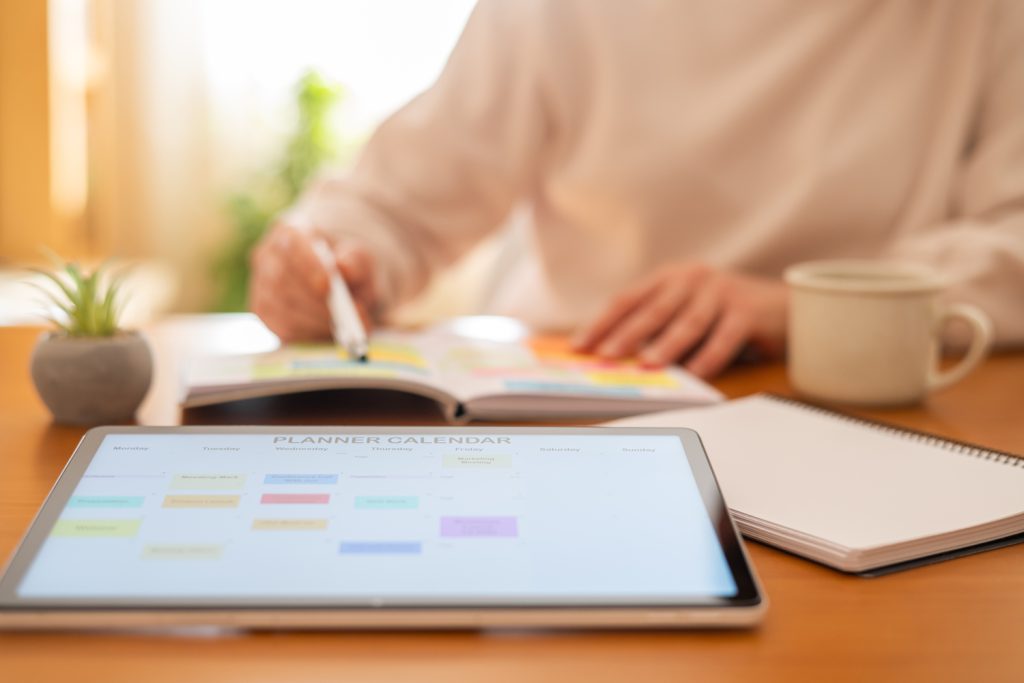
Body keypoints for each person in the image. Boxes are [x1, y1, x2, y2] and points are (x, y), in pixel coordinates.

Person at [250, 0, 1024, 378]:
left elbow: (1013, 237)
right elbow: (393, 205)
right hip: (587, 394)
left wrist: (796, 306)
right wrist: (332, 264)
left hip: (864, 402)